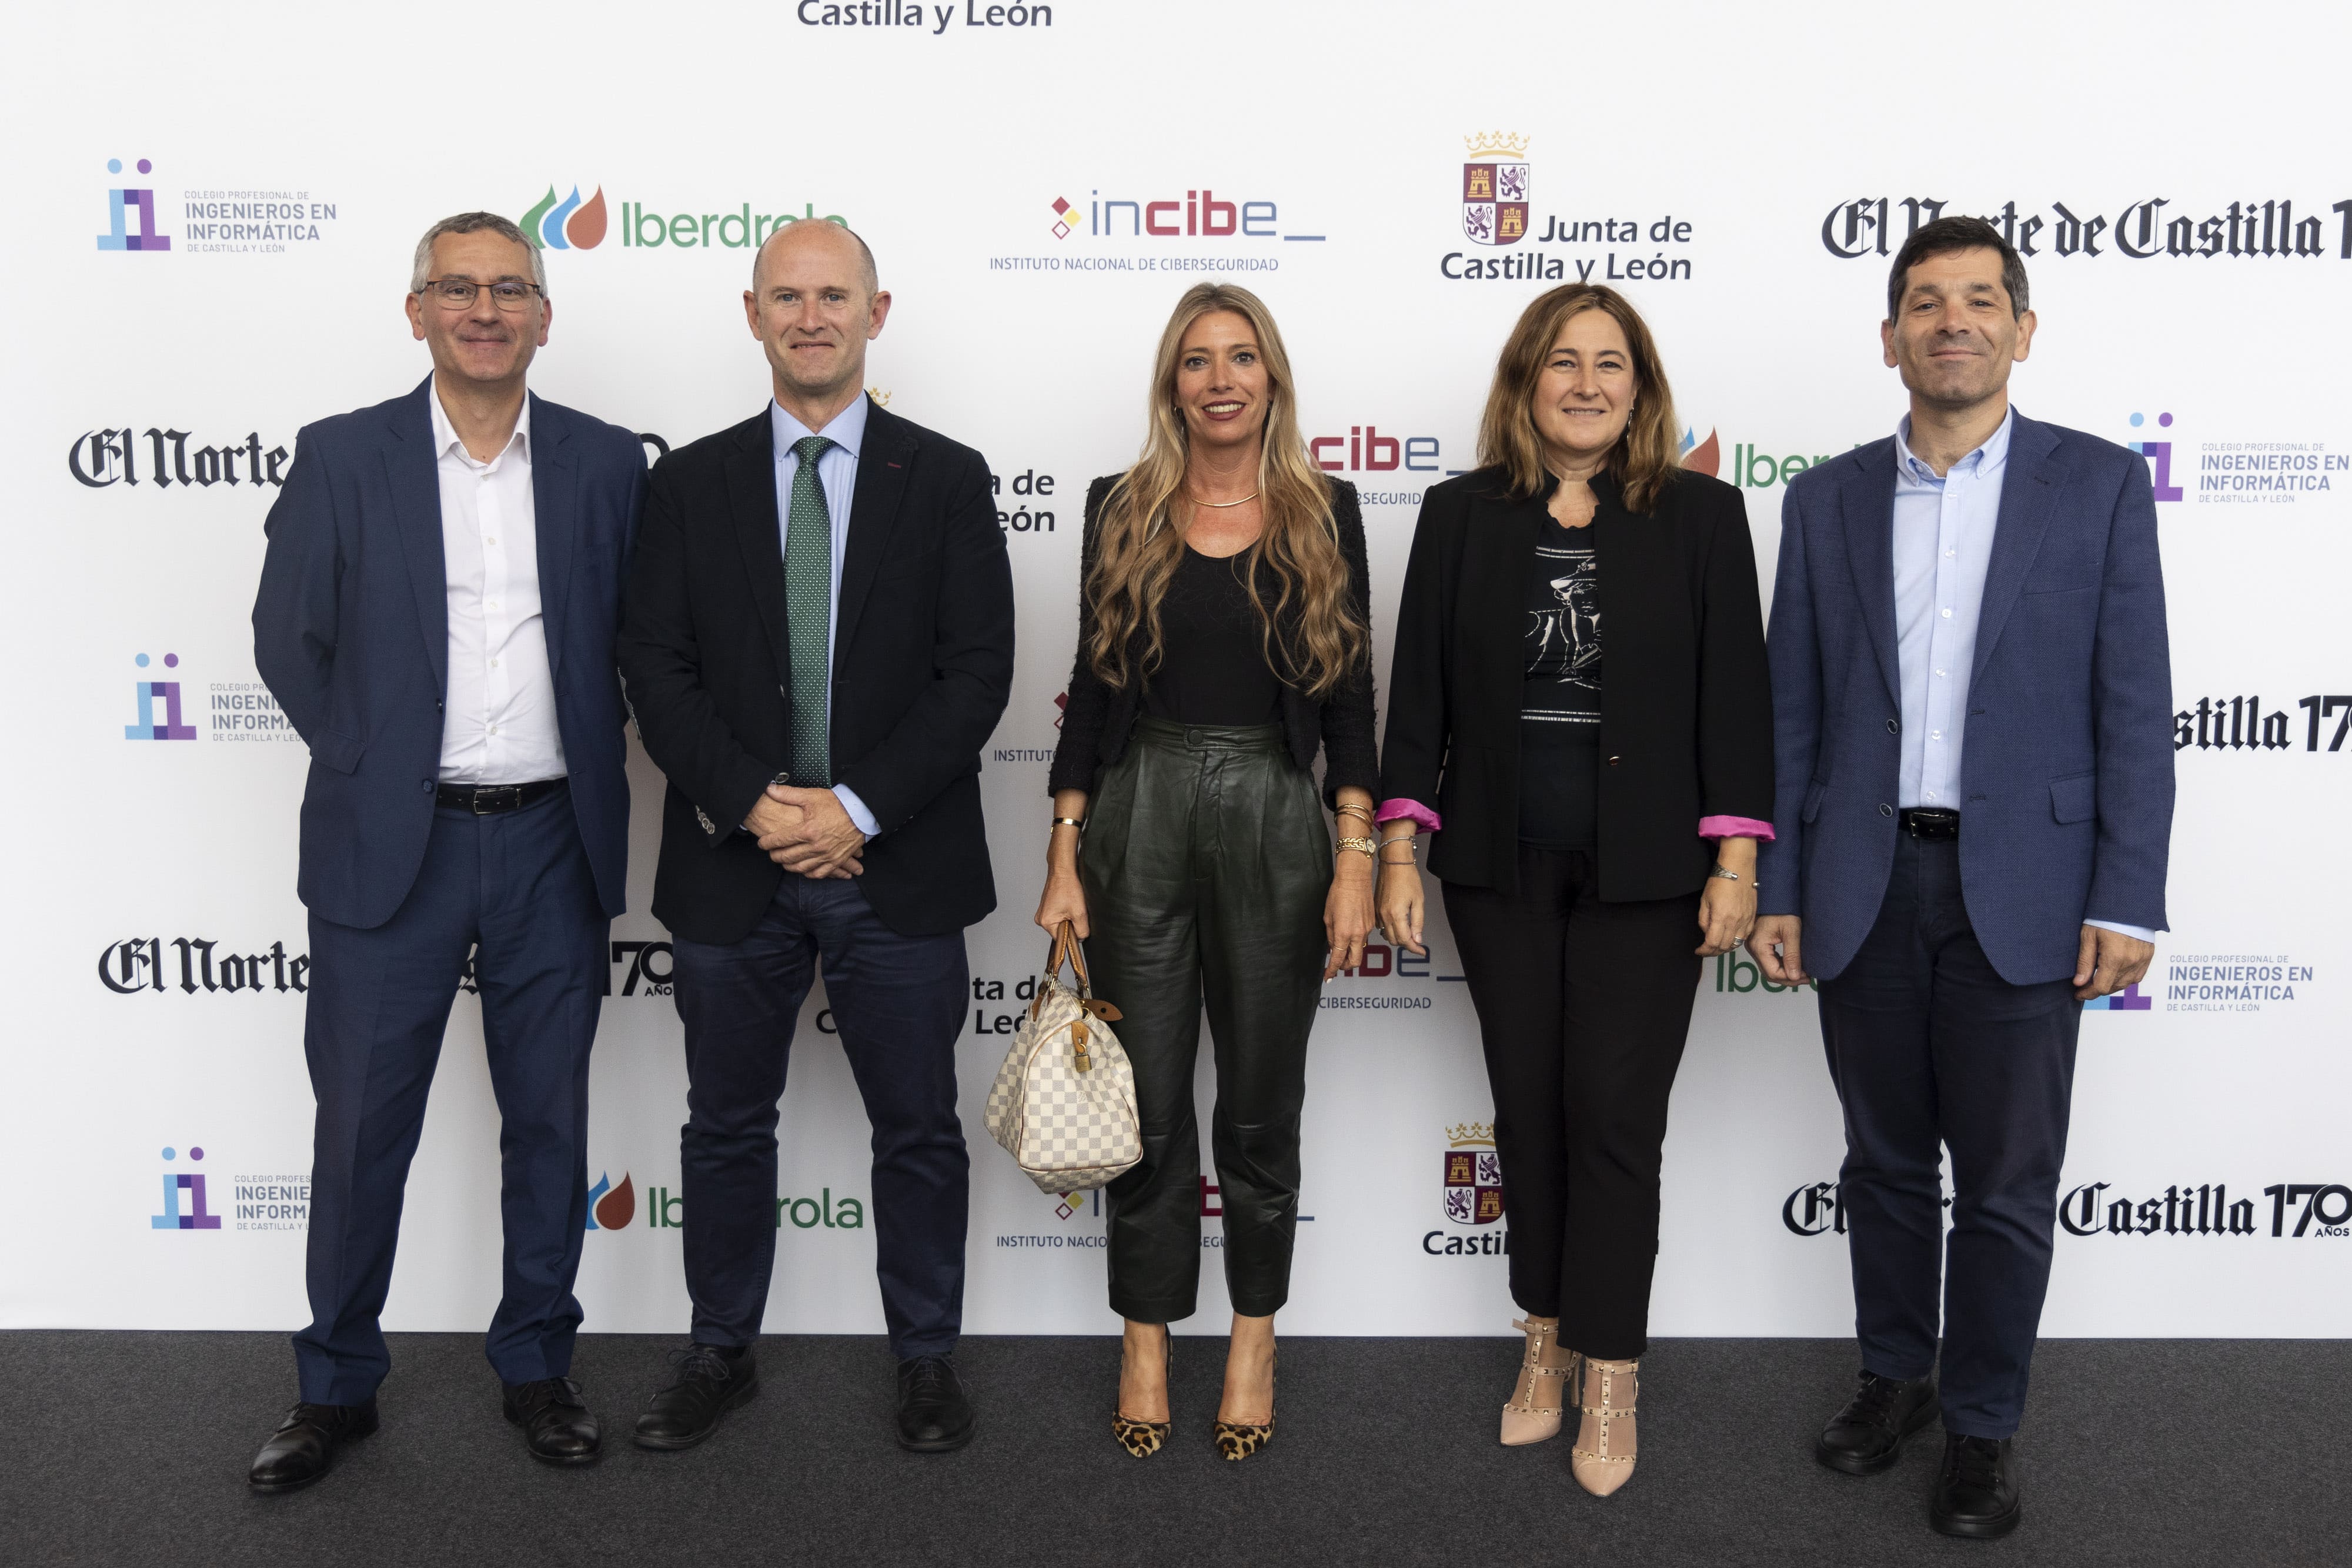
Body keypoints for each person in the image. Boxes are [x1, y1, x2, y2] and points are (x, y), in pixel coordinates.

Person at [1750, 215, 2172, 1540]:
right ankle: (1895, 1379)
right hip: (1861, 880)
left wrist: (2125, 891)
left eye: (1979, 300)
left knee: (1998, 1182)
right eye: (1924, 302)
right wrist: (1773, 880)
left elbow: (2132, 703)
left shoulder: (2096, 486)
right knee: (1880, 1161)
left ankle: (1982, 1425)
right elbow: (1791, 714)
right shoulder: (1820, 499)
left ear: (2020, 330)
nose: (1951, 321)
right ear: (1888, 338)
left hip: (2027, 888)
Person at [245, 213, 647, 1489]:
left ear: (543, 315)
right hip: (389, 853)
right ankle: (332, 1385)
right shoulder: (341, 457)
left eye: (510, 288)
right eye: (458, 287)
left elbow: (642, 642)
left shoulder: (600, 464)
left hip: (548, 839)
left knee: (547, 1121)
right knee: (361, 1126)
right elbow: (285, 639)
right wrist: (371, 764)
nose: (485, 308)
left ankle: (536, 1363)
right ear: (415, 309)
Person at [617, 218, 1013, 1456]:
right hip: (734, 864)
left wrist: (851, 809)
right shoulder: (686, 483)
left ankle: (927, 1358)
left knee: (918, 1126)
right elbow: (656, 667)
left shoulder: (943, 477)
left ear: (874, 312)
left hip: (893, 865)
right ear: (752, 314)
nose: (809, 316)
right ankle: (718, 1350)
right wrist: (761, 805)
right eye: (785, 296)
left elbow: (977, 671)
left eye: (832, 295)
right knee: (724, 1127)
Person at [1374, 283, 1772, 1497]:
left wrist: (1736, 859)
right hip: (1498, 865)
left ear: (1640, 388)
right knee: (1529, 1106)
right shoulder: (1457, 516)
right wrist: (1398, 846)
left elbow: (1733, 698)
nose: (1586, 383)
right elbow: (1421, 693)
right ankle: (1538, 1338)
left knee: (1611, 1116)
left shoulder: (1702, 515)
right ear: (1523, 383)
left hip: (1647, 873)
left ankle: (1610, 1368)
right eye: (1562, 362)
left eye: (1610, 363)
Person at [1036, 283, 1377, 1462]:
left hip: (1280, 816)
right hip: (1140, 808)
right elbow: (1088, 691)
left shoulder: (1325, 509)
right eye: (1195, 360)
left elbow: (1350, 707)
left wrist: (1354, 858)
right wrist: (1063, 847)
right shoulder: (1117, 507)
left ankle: (1251, 1333)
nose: (1219, 378)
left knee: (1258, 1105)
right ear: (1170, 383)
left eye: (1240, 357)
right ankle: (1144, 1336)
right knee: (1143, 1103)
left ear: (1271, 375)